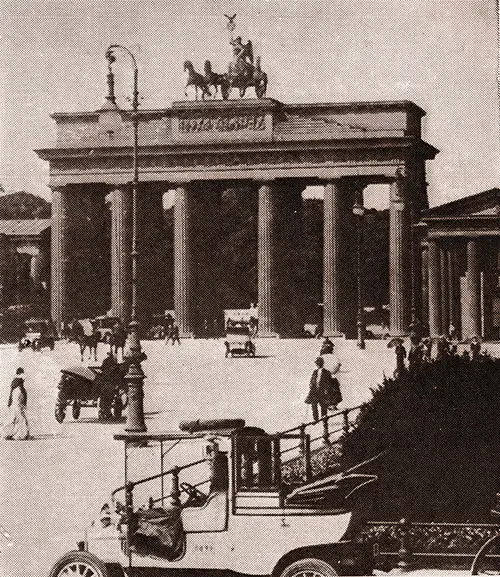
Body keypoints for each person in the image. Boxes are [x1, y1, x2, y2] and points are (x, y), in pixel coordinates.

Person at [305, 357, 342, 421]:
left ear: (321, 363)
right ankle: (315, 419)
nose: (317, 364)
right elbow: (312, 380)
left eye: (318, 363)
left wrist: (327, 391)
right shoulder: (315, 372)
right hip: (315, 392)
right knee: (314, 405)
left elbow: (328, 383)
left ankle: (324, 420)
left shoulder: (326, 372)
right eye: (317, 363)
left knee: (323, 406)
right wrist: (311, 385)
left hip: (323, 392)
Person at [3, 368, 30, 440]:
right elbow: (22, 393)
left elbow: (12, 393)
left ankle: (9, 434)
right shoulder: (19, 382)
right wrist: (23, 403)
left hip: (16, 401)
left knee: (15, 418)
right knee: (20, 418)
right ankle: (20, 435)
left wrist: (9, 402)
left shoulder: (15, 382)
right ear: (20, 374)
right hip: (18, 401)